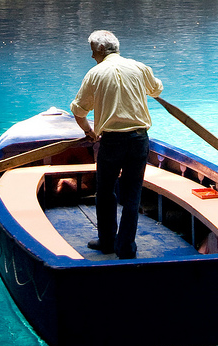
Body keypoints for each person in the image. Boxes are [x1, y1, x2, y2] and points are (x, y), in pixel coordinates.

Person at [70, 30, 163, 259]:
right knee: (133, 194)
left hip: (111, 141)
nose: (92, 56)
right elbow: (157, 89)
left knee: (105, 191)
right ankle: (126, 247)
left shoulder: (95, 73)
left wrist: (89, 132)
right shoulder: (140, 68)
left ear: (101, 50)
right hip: (139, 139)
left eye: (93, 51)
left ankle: (107, 242)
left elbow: (78, 111)